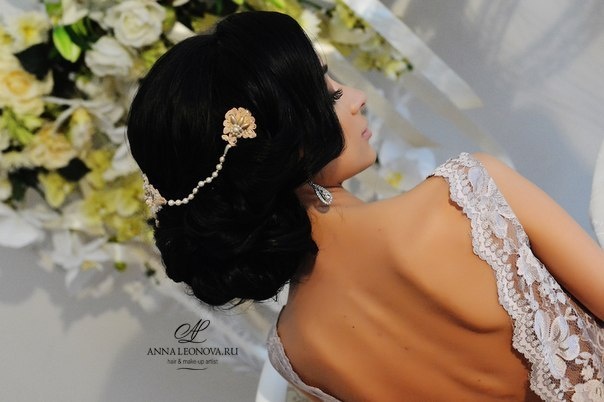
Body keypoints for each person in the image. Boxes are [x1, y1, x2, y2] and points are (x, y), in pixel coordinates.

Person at [127, 11, 604, 402]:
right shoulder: (472, 195)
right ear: (287, 141)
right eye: (329, 92)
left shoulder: (297, 353)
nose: (357, 98)